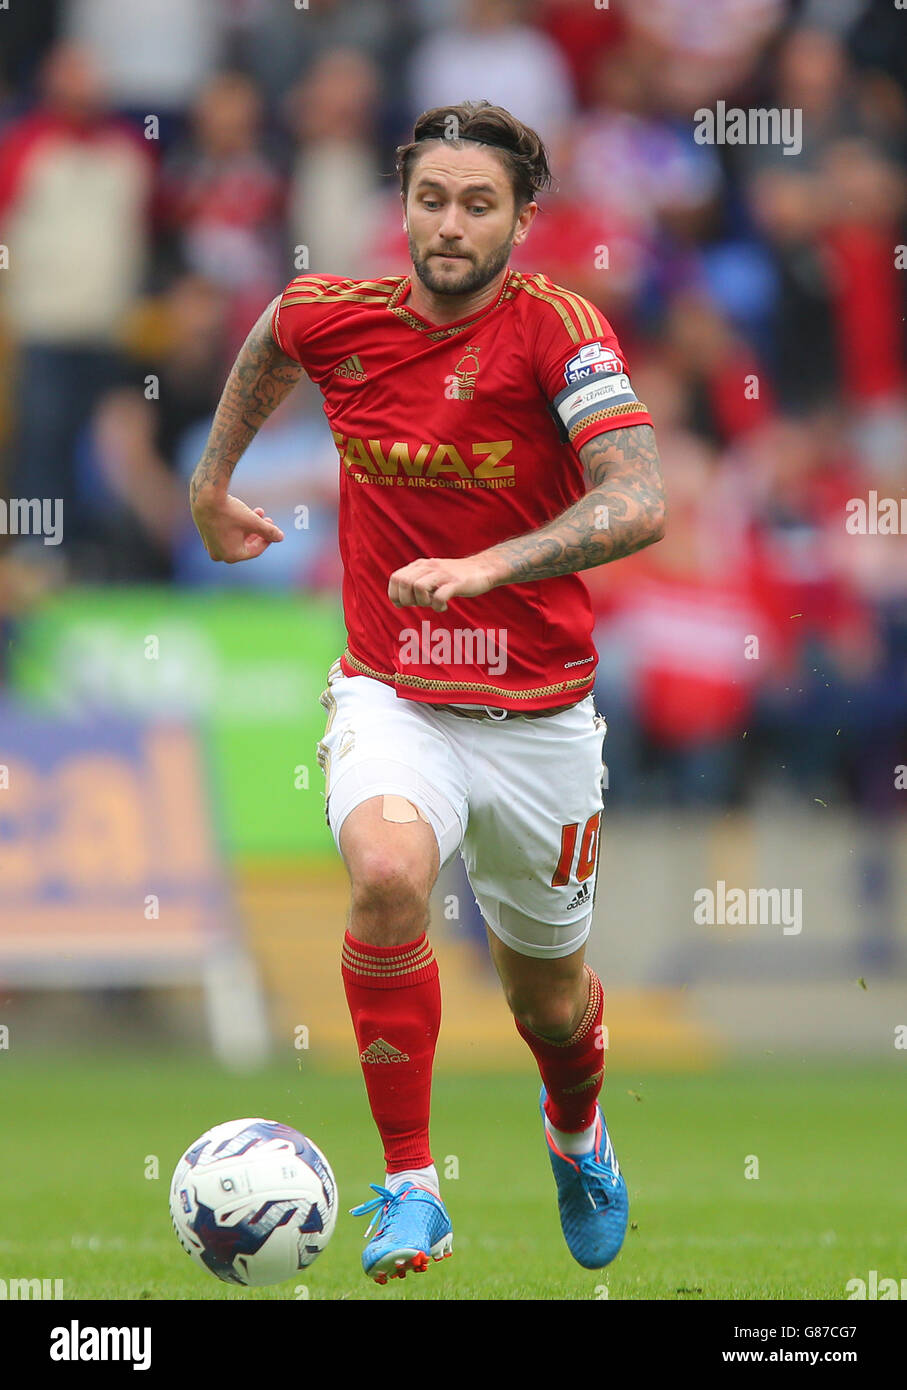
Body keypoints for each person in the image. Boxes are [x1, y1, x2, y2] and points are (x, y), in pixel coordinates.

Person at [190, 100, 666, 1284]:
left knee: (550, 1003)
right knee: (389, 874)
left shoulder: (558, 331)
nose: (449, 226)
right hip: (390, 693)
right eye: (431, 200)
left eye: (478, 204)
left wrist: (491, 563)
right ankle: (412, 1184)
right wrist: (211, 483)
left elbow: (638, 497)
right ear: (402, 204)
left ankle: (575, 1131)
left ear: (521, 218)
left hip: (539, 718)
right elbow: (271, 340)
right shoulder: (334, 316)